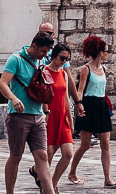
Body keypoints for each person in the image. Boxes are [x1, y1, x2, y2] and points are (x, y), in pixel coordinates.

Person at [0, 31, 57, 194]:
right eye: (43, 51)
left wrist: (46, 111)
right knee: (16, 156)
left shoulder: (41, 61)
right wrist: (13, 99)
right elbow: (2, 84)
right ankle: (9, 192)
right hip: (18, 117)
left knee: (42, 156)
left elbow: (42, 87)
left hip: (37, 116)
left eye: (47, 52)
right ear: (34, 46)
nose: (45, 55)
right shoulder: (15, 59)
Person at [67, 35, 116, 188]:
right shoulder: (85, 69)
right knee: (85, 144)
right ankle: (72, 172)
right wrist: (79, 104)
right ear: (100, 52)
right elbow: (80, 89)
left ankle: (107, 178)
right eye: (107, 51)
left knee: (106, 144)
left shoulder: (104, 69)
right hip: (88, 105)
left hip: (101, 105)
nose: (108, 53)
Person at [44, 43, 84, 191]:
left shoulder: (64, 74)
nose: (63, 61)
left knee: (67, 153)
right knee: (47, 156)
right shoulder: (44, 72)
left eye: (67, 59)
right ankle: (46, 186)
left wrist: (71, 118)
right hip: (49, 117)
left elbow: (66, 98)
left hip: (62, 117)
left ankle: (52, 183)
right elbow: (42, 96)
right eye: (62, 58)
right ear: (54, 55)